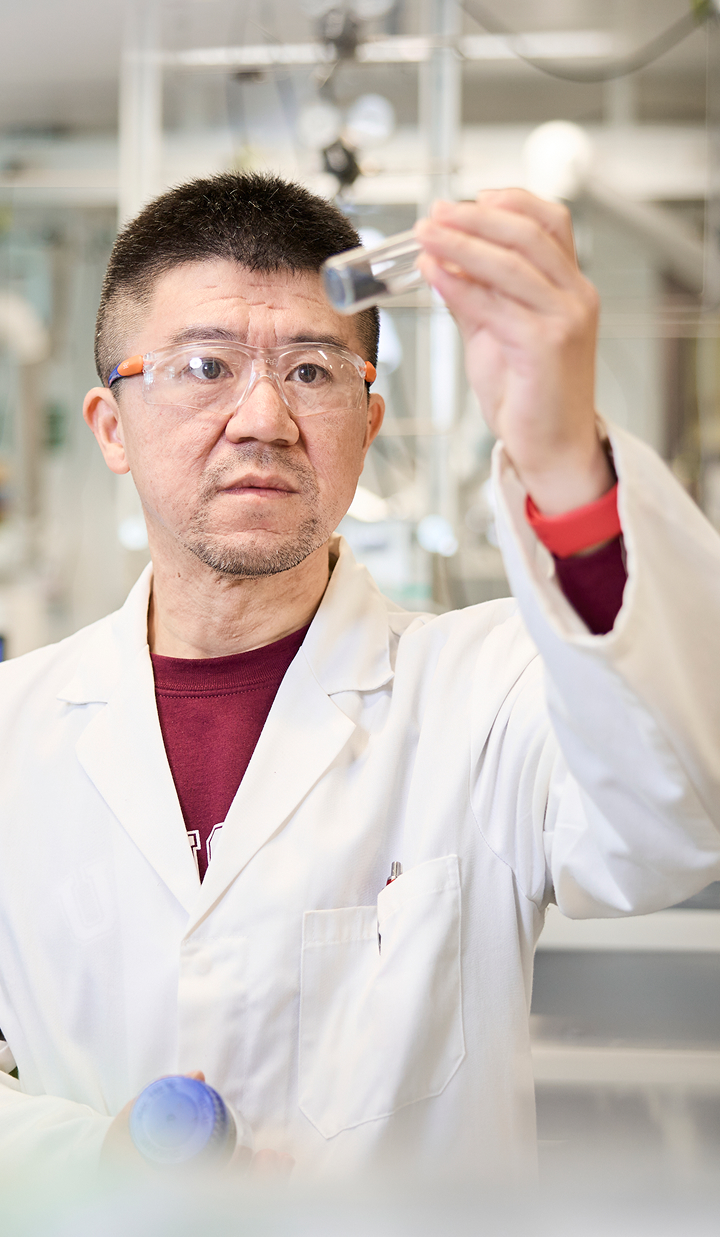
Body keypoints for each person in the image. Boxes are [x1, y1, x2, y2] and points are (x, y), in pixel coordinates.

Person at [0, 171, 718, 1186]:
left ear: (368, 424)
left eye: (312, 370)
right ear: (111, 427)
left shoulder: (490, 692)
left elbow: (674, 828)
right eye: (205, 365)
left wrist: (559, 451)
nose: (262, 417)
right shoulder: (14, 733)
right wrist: (92, 1160)